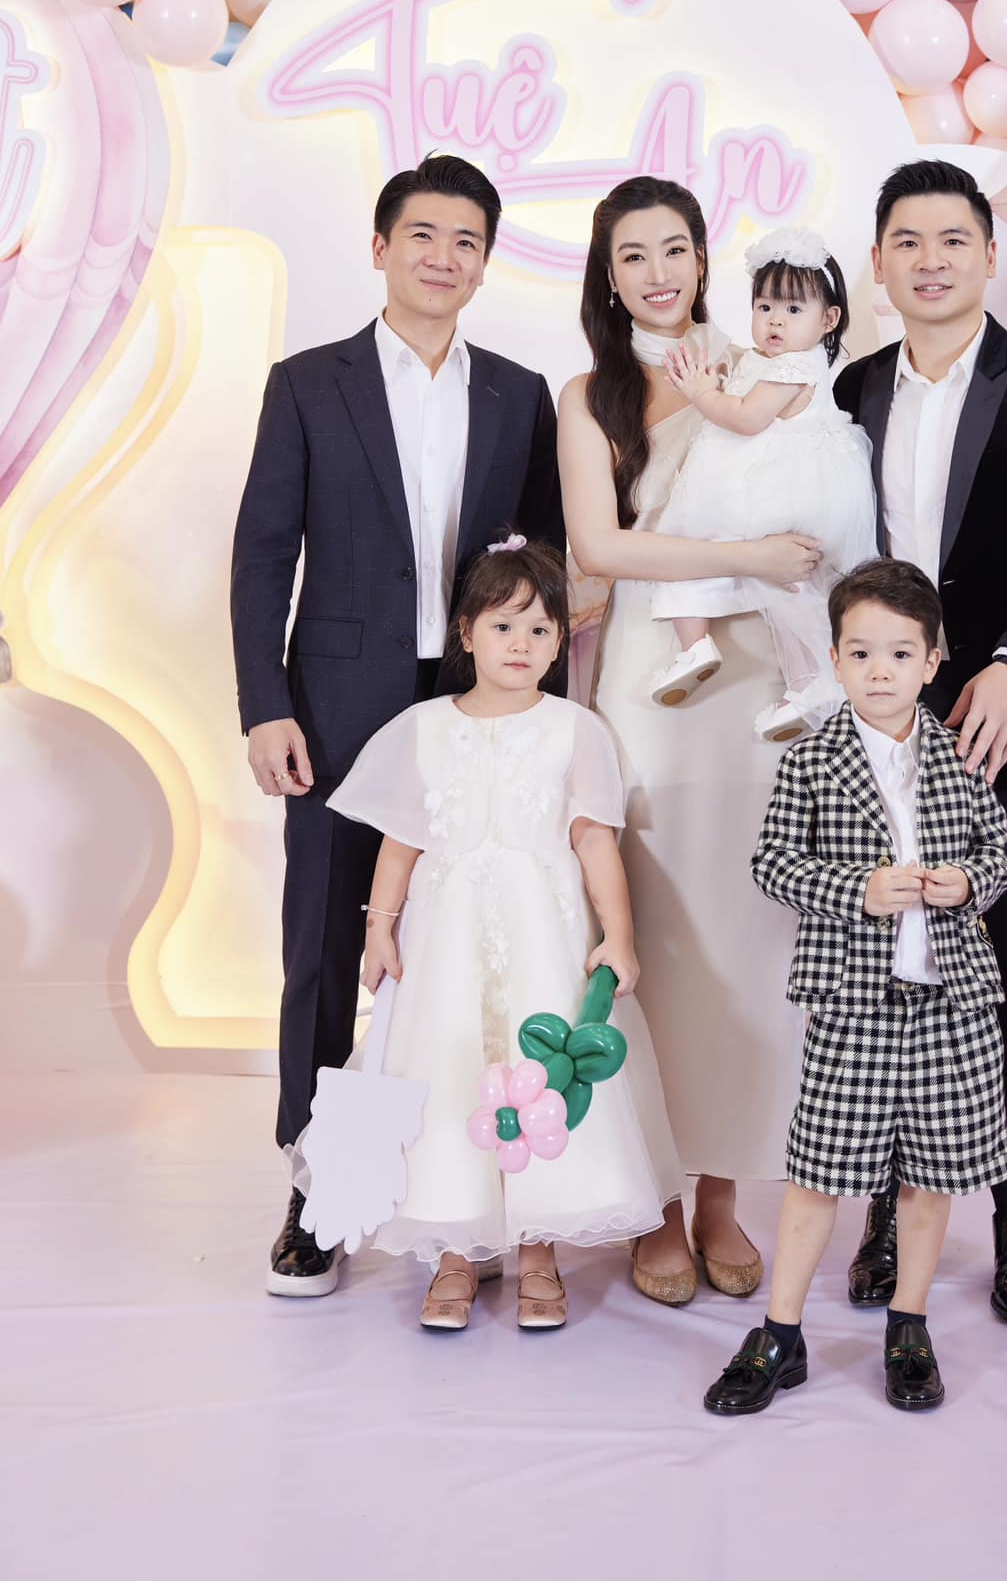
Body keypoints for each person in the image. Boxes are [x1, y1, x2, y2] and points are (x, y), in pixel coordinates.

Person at [231, 151, 563, 1298]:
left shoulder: (518, 392)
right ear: (380, 247)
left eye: (466, 239)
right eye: (422, 233)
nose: (442, 255)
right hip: (338, 702)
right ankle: (320, 1189)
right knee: (329, 943)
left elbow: (545, 565)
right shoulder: (306, 383)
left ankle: (473, 1194)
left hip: (480, 700)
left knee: (470, 939)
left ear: (485, 260)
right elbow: (262, 552)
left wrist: (546, 704)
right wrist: (266, 703)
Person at [836, 159, 1007, 1327]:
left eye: (953, 238)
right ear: (879, 262)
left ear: (989, 255)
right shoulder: (847, 391)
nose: (931, 259)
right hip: (878, 728)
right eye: (907, 240)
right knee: (886, 973)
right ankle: (886, 1210)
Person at [296, 539, 682, 1330]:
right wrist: (379, 930)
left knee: (542, 1079)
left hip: (545, 939)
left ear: (561, 642)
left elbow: (594, 840)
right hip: (447, 947)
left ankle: (538, 1248)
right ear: (466, 632)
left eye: (540, 631)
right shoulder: (423, 728)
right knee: (451, 1069)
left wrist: (619, 935)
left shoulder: (575, 730)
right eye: (504, 626)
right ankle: (455, 1250)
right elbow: (400, 844)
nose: (521, 645)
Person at [558, 175, 820, 1306]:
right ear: (608, 277)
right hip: (652, 674)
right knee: (655, 929)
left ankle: (719, 1195)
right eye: (634, 256)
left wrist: (775, 569)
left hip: (756, 671)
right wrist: (747, 555)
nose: (658, 273)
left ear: (704, 259)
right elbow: (600, 550)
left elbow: (811, 491)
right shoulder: (589, 395)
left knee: (748, 931)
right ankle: (655, 1200)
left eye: (675, 249)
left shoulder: (756, 363)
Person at [703, 560, 1007, 1416]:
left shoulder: (959, 756)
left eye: (901, 653)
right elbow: (774, 864)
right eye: (862, 653)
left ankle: (909, 1324)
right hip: (853, 1003)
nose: (881, 672)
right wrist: (859, 890)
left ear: (933, 660)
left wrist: (967, 882)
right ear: (836, 659)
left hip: (952, 1003)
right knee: (818, 1172)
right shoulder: (812, 762)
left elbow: (1002, 851)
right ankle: (781, 1332)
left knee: (932, 1173)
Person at [648, 226, 878, 741]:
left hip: (775, 489)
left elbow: (748, 418)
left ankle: (695, 646)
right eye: (765, 306)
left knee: (687, 544)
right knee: (788, 593)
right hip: (786, 488)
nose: (775, 320)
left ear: (828, 319)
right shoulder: (773, 360)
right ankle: (807, 684)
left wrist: (701, 393)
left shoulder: (794, 365)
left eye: (793, 309)